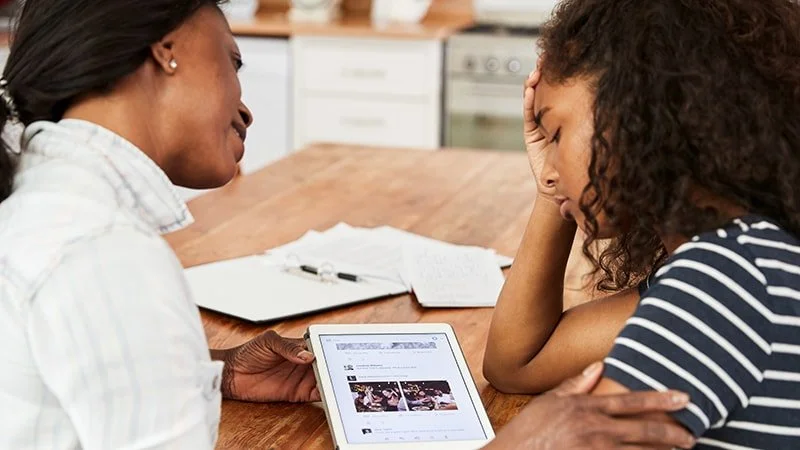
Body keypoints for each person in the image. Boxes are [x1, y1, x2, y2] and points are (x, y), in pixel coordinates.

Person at [0, 1, 320, 448]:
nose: (246, 112)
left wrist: (211, 372)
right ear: (166, 51)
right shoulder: (104, 250)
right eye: (234, 62)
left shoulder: (46, 201)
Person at [484, 0, 800, 448]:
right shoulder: (745, 261)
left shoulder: (723, 285)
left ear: (635, 114)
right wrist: (553, 191)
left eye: (555, 133)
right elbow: (518, 363)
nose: (549, 170)